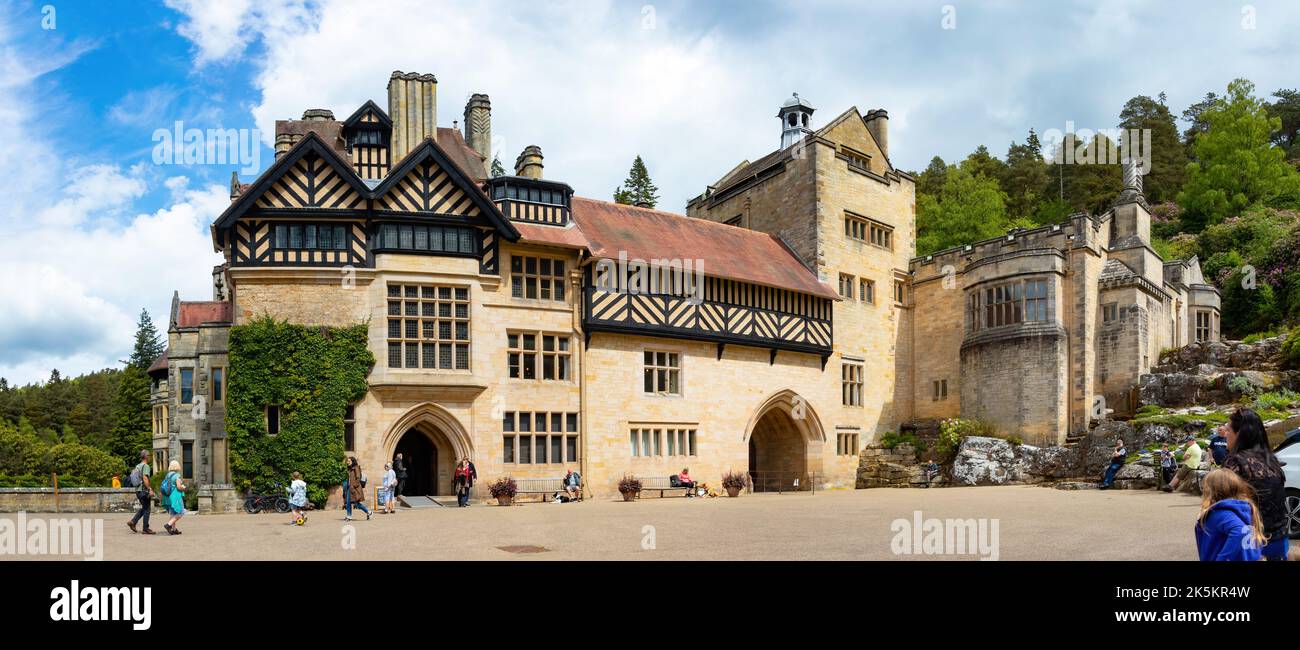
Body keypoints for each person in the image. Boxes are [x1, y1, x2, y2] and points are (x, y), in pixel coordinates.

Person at [1220, 408, 1290, 561]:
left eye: (1229, 430)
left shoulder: (1235, 462)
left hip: (1250, 541)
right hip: (1279, 538)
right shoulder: (1271, 461)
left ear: (1239, 434)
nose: (1225, 435)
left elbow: (1222, 505)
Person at [1194, 469, 1264, 561]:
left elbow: (1238, 531)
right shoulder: (1244, 509)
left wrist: (1223, 558)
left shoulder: (1221, 513)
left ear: (1210, 490)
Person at [126, 450, 156, 535]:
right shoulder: (145, 466)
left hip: (137, 490)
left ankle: (133, 522)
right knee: (147, 509)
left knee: (144, 508)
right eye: (149, 455)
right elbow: (145, 478)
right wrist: (150, 489)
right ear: (146, 457)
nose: (150, 457)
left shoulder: (137, 466)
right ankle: (145, 529)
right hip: (143, 490)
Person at [161, 460, 186, 535]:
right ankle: (168, 525)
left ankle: (174, 529)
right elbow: (178, 487)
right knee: (180, 512)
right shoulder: (177, 475)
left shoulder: (167, 475)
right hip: (175, 496)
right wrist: (183, 487)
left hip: (168, 496)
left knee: (172, 513)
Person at [343, 456, 371, 521]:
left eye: (349, 461)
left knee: (357, 504)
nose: (348, 462)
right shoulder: (350, 469)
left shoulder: (356, 468)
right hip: (350, 488)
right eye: (347, 461)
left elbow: (358, 478)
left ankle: (369, 512)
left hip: (355, 489)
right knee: (348, 502)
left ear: (353, 461)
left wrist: (354, 486)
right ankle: (349, 516)